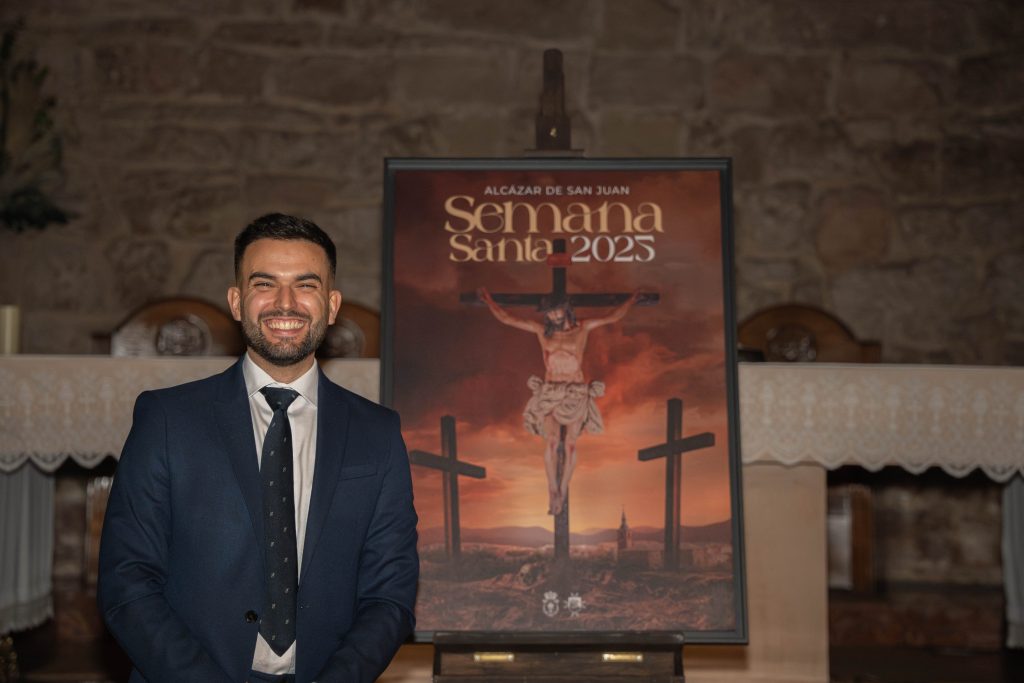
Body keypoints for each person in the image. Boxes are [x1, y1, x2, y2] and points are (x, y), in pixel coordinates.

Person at [98, 213, 418, 683]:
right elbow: (127, 583)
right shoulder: (167, 420)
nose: (284, 303)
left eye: (305, 285)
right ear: (237, 301)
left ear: (331, 306)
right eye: (264, 284)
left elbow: (390, 595)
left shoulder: (378, 433)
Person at [478, 287, 642, 516]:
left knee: (571, 444)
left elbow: (611, 316)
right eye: (549, 313)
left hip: (574, 393)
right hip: (551, 393)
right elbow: (508, 319)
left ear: (566, 310)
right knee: (553, 442)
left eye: (556, 311)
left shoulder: (582, 328)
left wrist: (631, 300)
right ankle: (552, 489)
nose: (553, 316)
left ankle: (563, 488)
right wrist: (489, 301)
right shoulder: (542, 332)